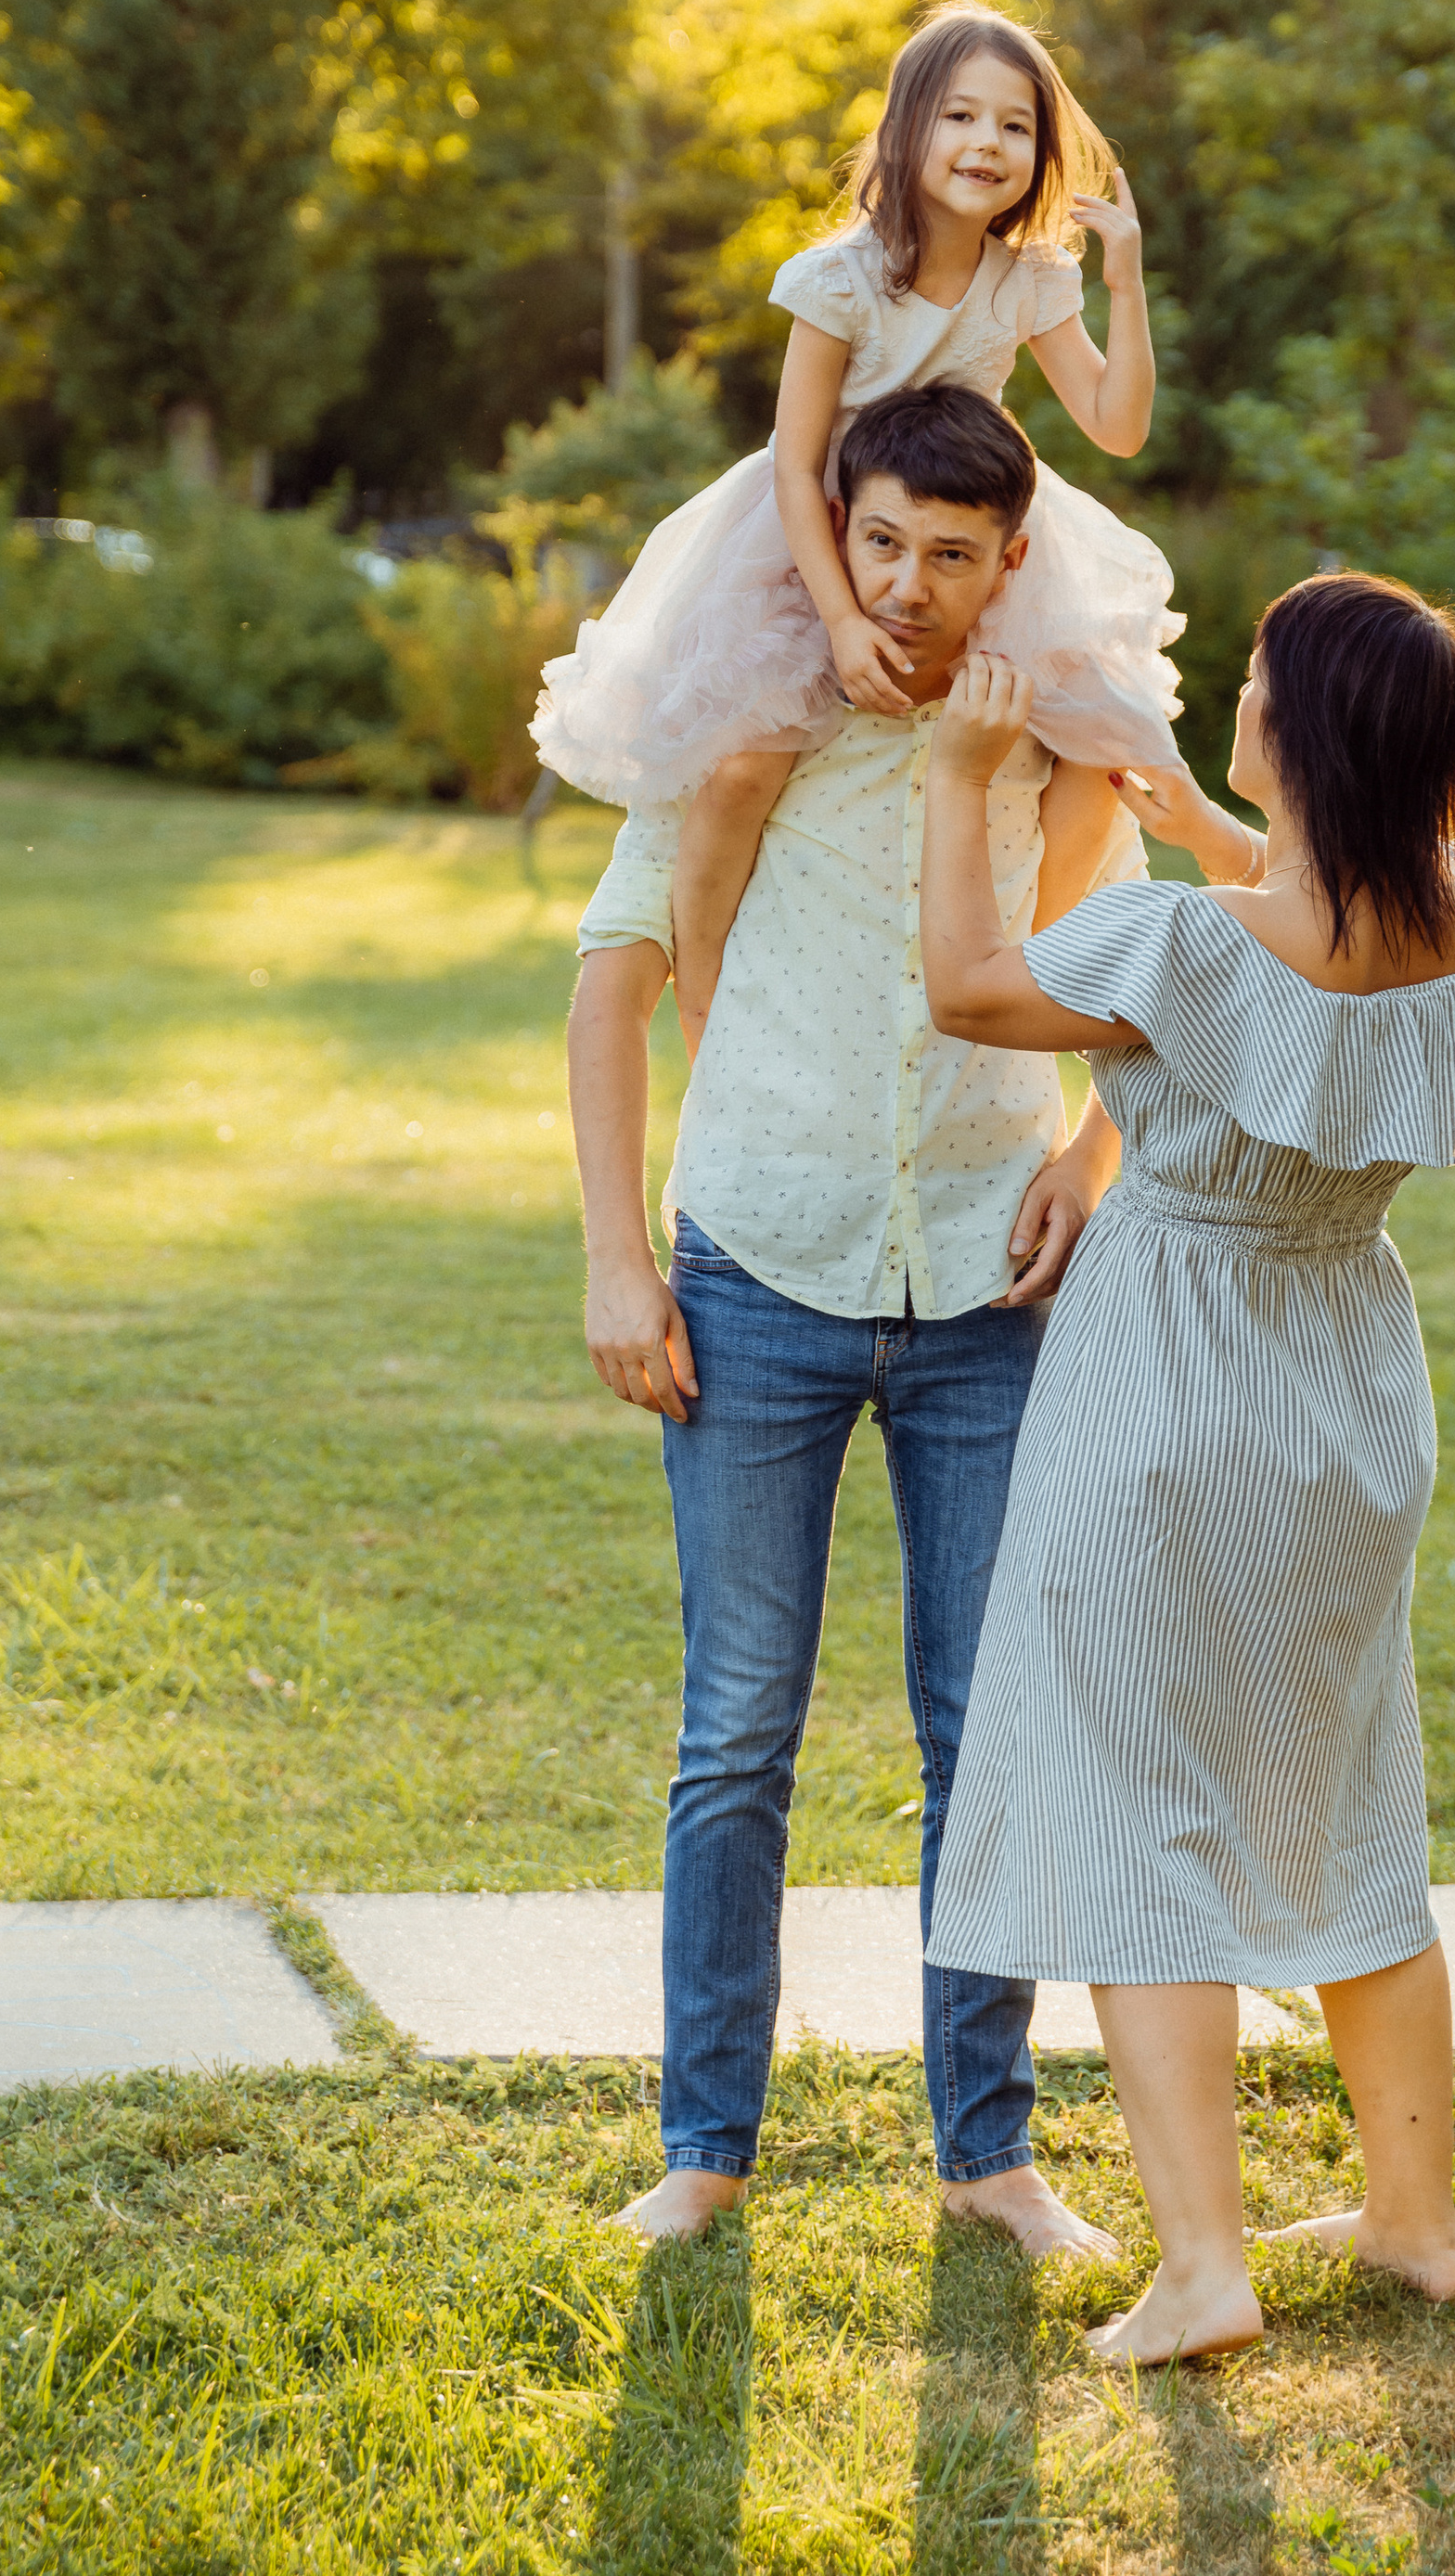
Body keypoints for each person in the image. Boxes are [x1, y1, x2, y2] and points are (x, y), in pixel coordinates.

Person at [917, 573, 1455, 2365]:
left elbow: (970, 989)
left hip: (1168, 1392)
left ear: (1303, 731)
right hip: (1347, 1394)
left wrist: (964, 779)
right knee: (1355, 1789)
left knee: (1136, 1806)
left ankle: (1203, 2269)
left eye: (1263, 679)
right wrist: (1200, 815)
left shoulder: (1181, 954)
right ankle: (1416, 2221)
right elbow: (1313, 929)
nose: (1245, 694)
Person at [564, 381, 1149, 2256]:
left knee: (985, 1728)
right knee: (737, 1729)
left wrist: (1093, 1157)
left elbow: (1147, 988)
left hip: (986, 1287)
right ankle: (705, 2148)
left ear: (1010, 562)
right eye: (878, 540)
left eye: (948, 554)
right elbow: (610, 981)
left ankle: (989, 2155)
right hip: (755, 1263)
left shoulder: (1055, 744)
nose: (905, 583)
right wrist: (616, 1259)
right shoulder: (751, 708)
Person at [533, 0, 1182, 1046]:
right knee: (746, 767)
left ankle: (1028, 975)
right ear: (909, 127)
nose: (987, 142)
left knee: (1102, 740)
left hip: (961, 533)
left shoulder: (1029, 280)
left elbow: (1118, 426)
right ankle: (705, 1003)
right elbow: (795, 464)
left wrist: (1125, 281)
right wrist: (839, 620)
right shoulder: (840, 278)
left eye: (1015, 124)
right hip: (826, 533)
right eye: (960, 115)